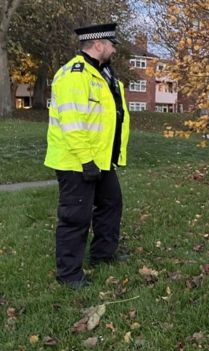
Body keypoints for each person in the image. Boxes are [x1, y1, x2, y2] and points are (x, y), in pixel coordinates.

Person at [44, 23, 130, 289]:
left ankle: (103, 255)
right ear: (98, 44)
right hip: (77, 161)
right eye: (112, 44)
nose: (114, 49)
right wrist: (86, 160)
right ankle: (69, 274)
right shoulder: (73, 75)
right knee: (75, 216)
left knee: (111, 203)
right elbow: (72, 123)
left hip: (101, 160)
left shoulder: (104, 75)